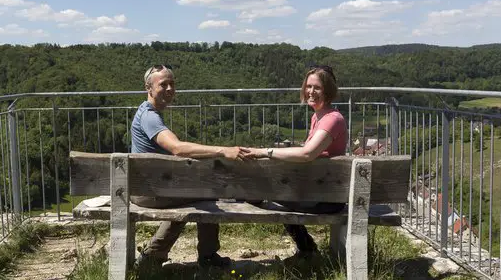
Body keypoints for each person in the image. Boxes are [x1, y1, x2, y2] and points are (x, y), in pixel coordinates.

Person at [131, 64, 244, 270]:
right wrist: (222, 151)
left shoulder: (145, 112)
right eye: (163, 84)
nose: (169, 89)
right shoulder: (150, 117)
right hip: (149, 191)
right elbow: (177, 148)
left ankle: (152, 257)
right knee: (206, 195)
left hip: (147, 186)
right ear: (149, 88)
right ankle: (207, 256)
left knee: (191, 198)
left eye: (172, 84)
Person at [240, 65, 348, 263]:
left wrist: (266, 152)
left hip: (325, 198)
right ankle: (306, 248)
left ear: (328, 90)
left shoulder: (332, 120)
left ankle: (307, 250)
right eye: (308, 86)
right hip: (321, 191)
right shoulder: (319, 116)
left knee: (263, 193)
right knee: (268, 191)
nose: (310, 92)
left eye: (317, 87)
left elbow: (307, 154)